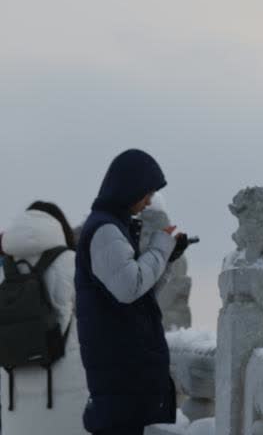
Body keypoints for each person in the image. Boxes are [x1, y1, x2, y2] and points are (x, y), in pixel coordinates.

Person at [75, 149, 189, 435]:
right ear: (130, 189)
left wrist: (168, 257)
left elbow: (140, 291)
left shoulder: (113, 227)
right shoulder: (105, 230)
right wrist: (161, 247)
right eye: (147, 193)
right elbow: (128, 288)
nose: (149, 201)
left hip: (120, 368)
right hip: (118, 369)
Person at [0, 201, 88, 435]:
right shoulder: (72, 262)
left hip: (12, 389)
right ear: (59, 228)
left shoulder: (4, 269)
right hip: (67, 381)